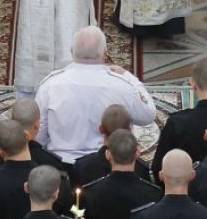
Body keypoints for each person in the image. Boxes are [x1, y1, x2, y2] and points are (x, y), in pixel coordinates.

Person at [33, 26, 157, 162]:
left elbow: (38, 135)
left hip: (60, 164)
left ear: (72, 51)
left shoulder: (50, 85)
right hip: (106, 163)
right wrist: (129, 77)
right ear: (105, 53)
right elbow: (148, 115)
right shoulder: (122, 86)